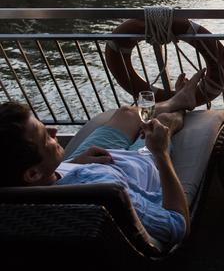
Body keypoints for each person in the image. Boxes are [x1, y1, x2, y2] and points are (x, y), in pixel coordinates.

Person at [0, 69, 207, 246]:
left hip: (82, 162)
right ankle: (182, 104)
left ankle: (176, 99)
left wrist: (72, 164)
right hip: (132, 166)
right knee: (163, 122)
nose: (54, 130)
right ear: (33, 173)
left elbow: (47, 178)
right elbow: (176, 225)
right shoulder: (103, 193)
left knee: (126, 113)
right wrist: (160, 153)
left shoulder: (23, 187)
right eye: (46, 137)